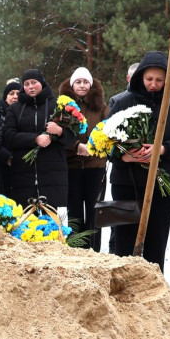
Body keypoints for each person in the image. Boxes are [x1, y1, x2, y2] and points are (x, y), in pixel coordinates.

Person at [106, 51, 170, 272]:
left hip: (163, 185)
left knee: (157, 242)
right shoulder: (121, 102)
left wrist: (163, 149)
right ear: (139, 77)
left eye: (159, 80)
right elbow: (104, 142)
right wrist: (123, 155)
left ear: (167, 79)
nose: (153, 84)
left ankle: (153, 295)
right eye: (149, 79)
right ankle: (121, 292)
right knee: (122, 243)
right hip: (125, 183)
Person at [2, 69, 73, 209]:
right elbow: (8, 137)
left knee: (54, 224)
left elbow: (72, 138)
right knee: (25, 225)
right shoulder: (15, 109)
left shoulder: (58, 105)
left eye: (34, 83)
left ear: (42, 83)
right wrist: (34, 139)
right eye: (26, 84)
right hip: (23, 177)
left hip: (54, 176)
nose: (30, 87)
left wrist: (59, 131)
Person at [61, 67, 109, 251]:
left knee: (94, 212)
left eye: (85, 82)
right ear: (72, 85)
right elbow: (59, 133)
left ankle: (94, 251)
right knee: (74, 213)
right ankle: (76, 250)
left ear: (91, 84)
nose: (82, 85)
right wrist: (75, 146)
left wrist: (93, 148)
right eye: (78, 82)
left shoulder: (102, 107)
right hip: (71, 166)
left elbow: (108, 132)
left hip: (95, 166)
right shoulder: (63, 107)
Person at [0, 78, 20, 196]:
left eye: (18, 93)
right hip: (1, 163)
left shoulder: (28, 113)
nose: (15, 96)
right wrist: (7, 157)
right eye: (11, 93)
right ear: (5, 97)